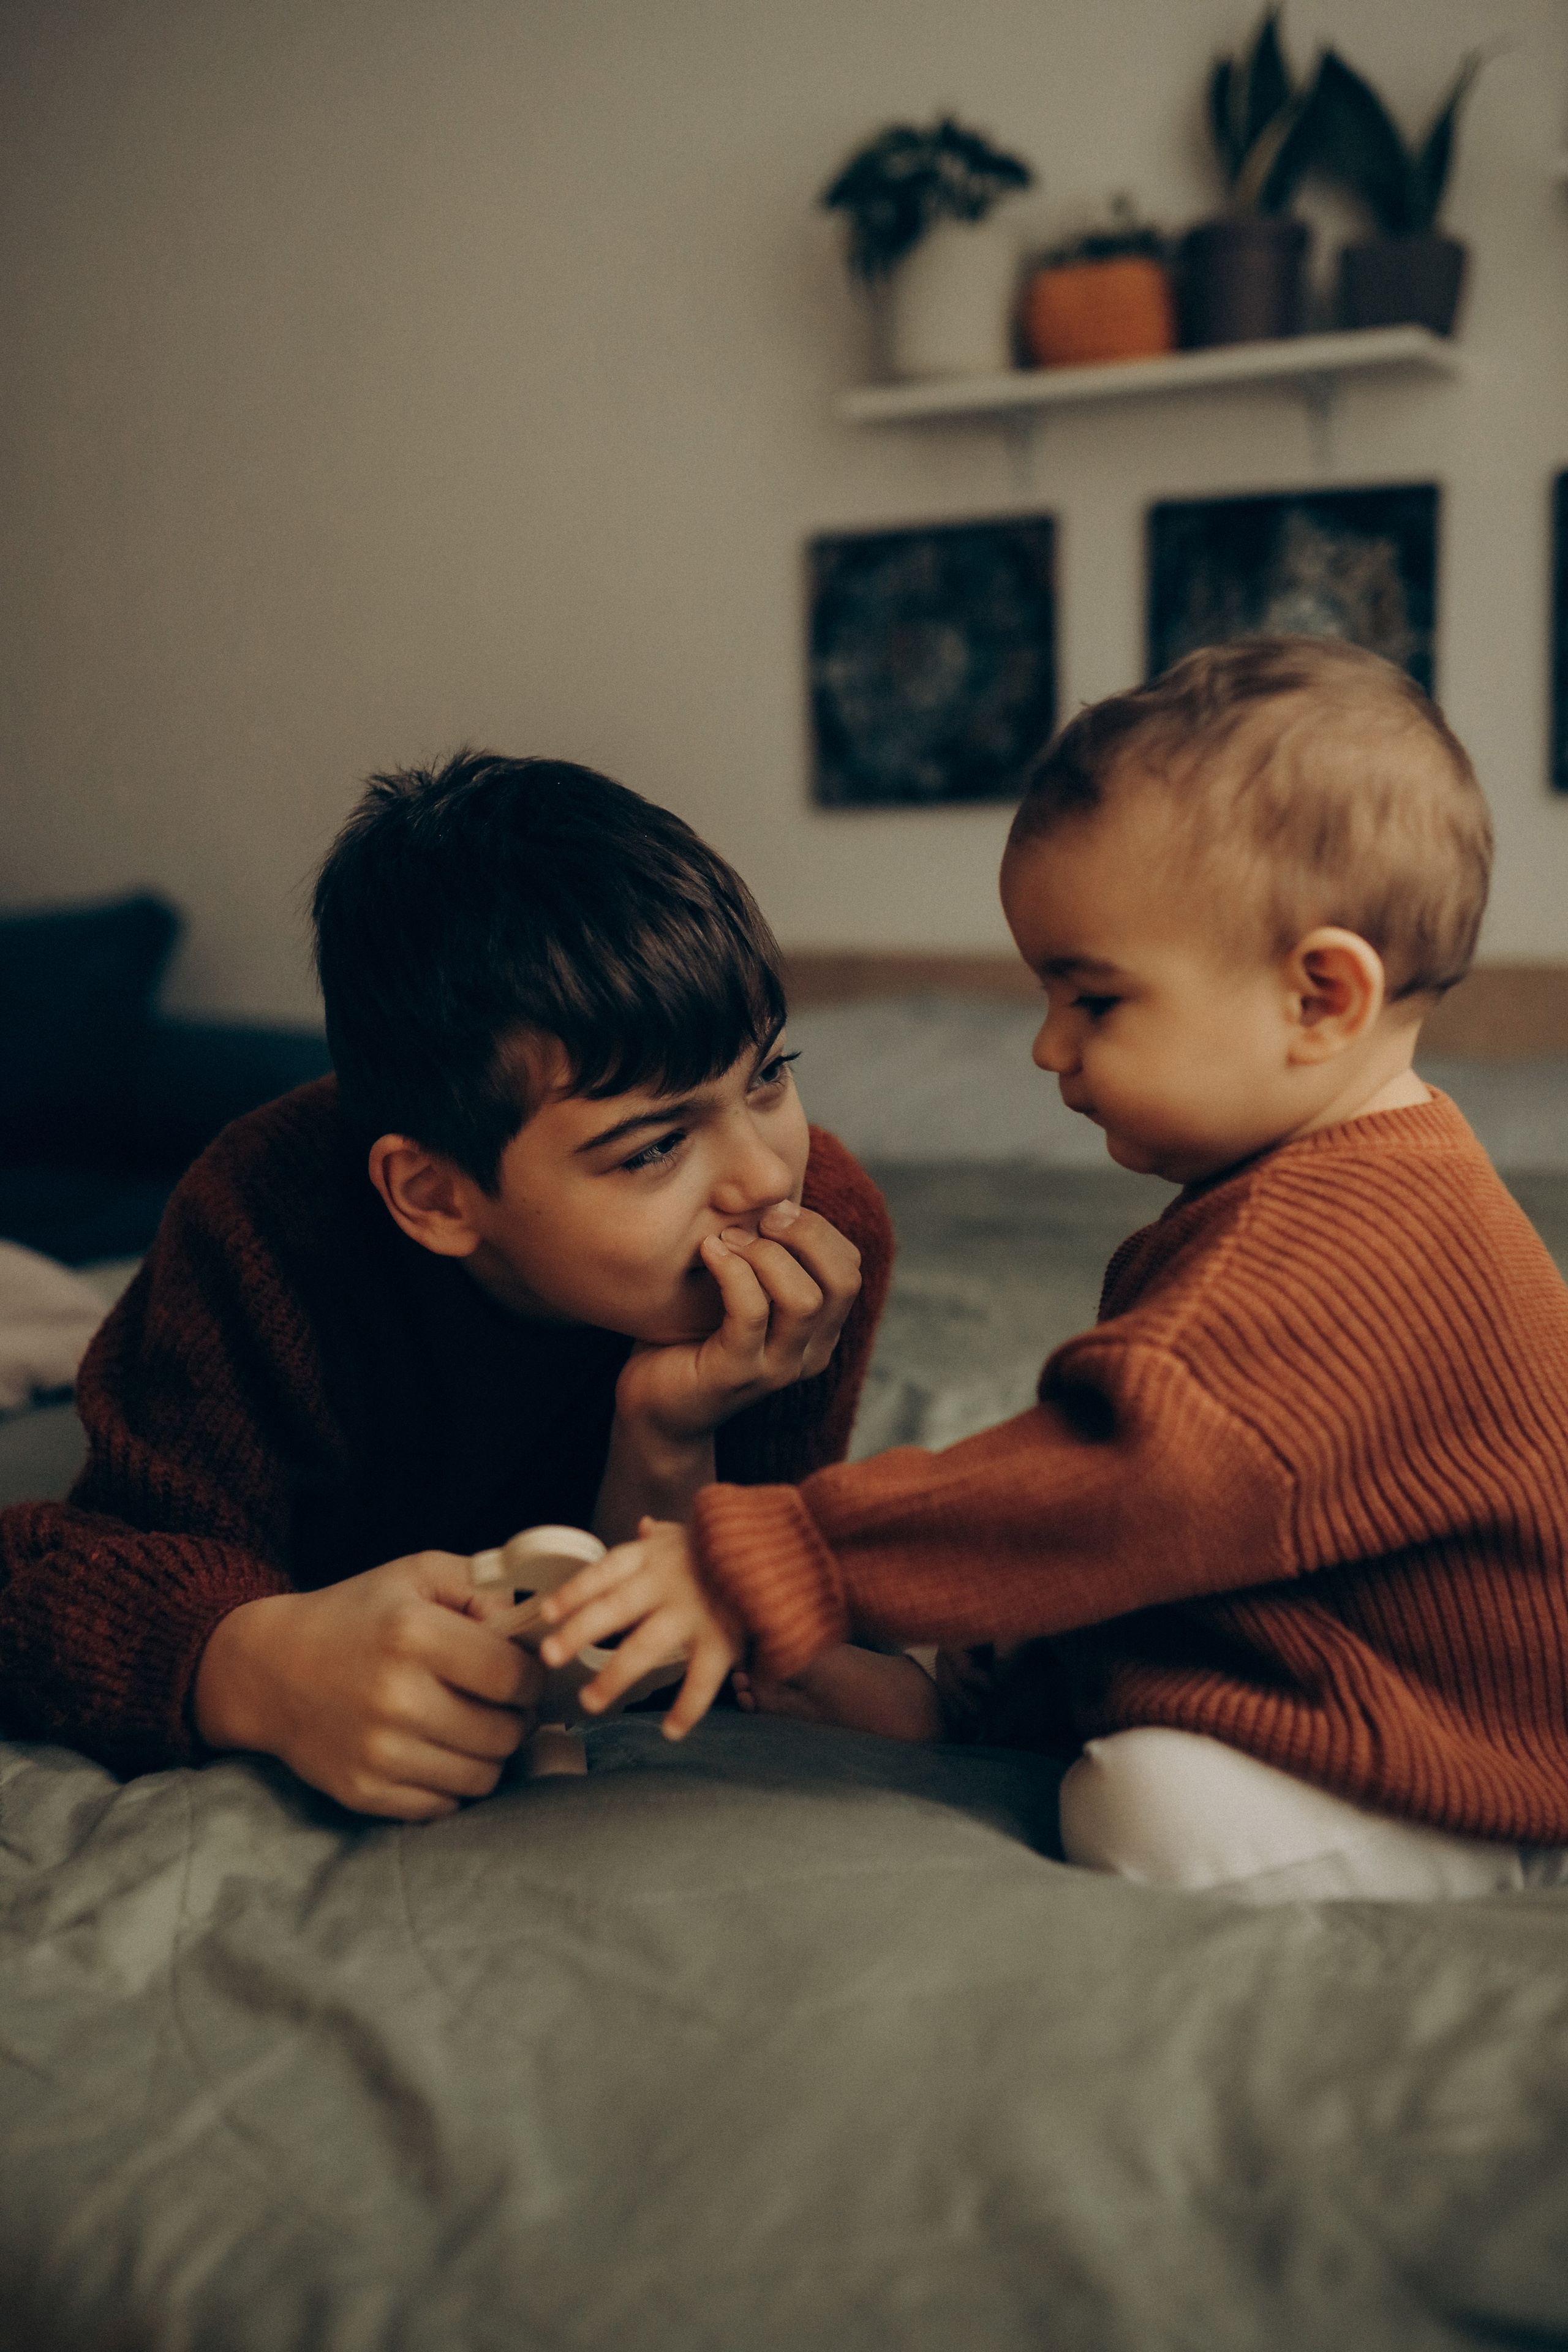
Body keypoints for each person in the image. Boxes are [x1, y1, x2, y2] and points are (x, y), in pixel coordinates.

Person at [537, 636, 1568, 1903]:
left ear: (1319, 999)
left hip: (1469, 1756)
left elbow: (1113, 1484)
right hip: (1336, 1654)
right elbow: (1157, 1545)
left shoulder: (1347, 1245)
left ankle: (1504, 1868)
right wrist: (958, 1693)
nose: (1042, 1046)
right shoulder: (1325, 1182)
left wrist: (774, 1558)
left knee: (1132, 1807)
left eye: (1093, 1002)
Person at [0, 753, 891, 1820]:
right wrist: (253, 1664)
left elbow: (684, 1648)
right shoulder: (254, 1230)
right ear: (434, 1196)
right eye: (654, 1149)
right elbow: (71, 1577)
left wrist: (666, 1434)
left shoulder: (821, 1230)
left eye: (770, 1076)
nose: (761, 1177)